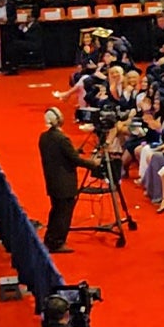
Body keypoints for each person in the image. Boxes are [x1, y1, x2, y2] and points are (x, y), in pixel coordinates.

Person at [37, 107, 100, 253]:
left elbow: (60, 155)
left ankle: (50, 238)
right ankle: (58, 242)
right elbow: (73, 159)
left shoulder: (44, 137)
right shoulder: (62, 139)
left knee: (55, 211)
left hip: (52, 181)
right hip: (65, 183)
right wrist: (92, 164)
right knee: (63, 214)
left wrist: (73, 151)